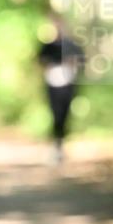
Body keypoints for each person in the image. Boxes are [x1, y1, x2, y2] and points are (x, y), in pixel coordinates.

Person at [38, 12, 84, 163]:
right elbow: (40, 61)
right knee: (56, 114)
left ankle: (60, 144)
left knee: (64, 114)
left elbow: (82, 61)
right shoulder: (48, 46)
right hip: (53, 82)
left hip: (68, 82)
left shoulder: (73, 45)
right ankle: (57, 145)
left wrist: (73, 63)